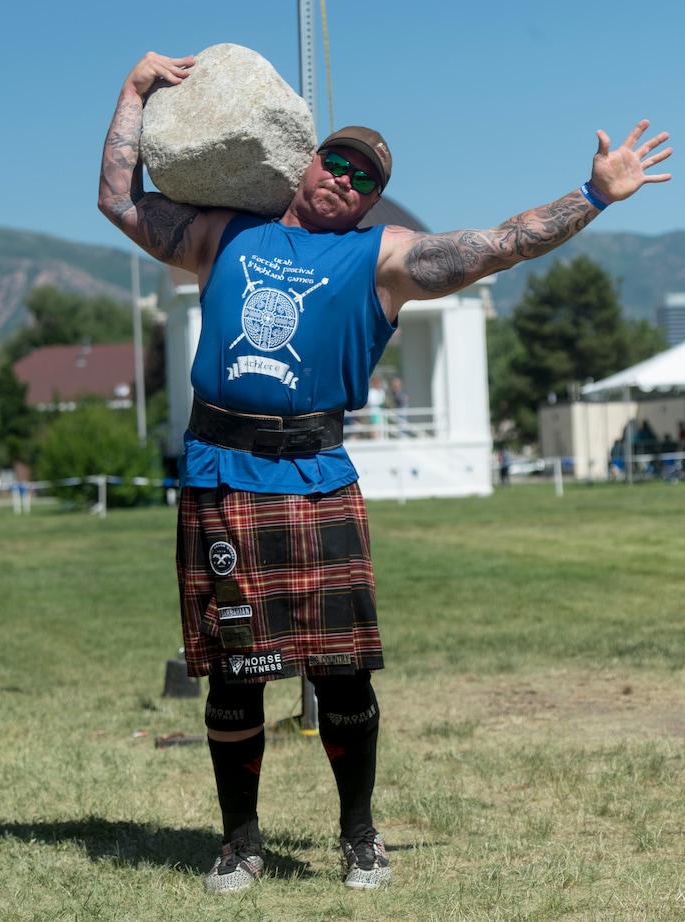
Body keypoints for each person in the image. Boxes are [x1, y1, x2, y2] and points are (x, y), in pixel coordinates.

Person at [98, 51, 672, 894]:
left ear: (371, 199)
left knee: (342, 673)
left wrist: (589, 197)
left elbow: (496, 246)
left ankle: (360, 836)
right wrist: (134, 90)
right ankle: (241, 842)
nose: (344, 181)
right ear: (304, 163)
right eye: (335, 161)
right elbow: (117, 199)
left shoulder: (381, 259)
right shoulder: (223, 234)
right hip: (221, 474)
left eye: (362, 178)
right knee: (232, 672)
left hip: (316, 477)